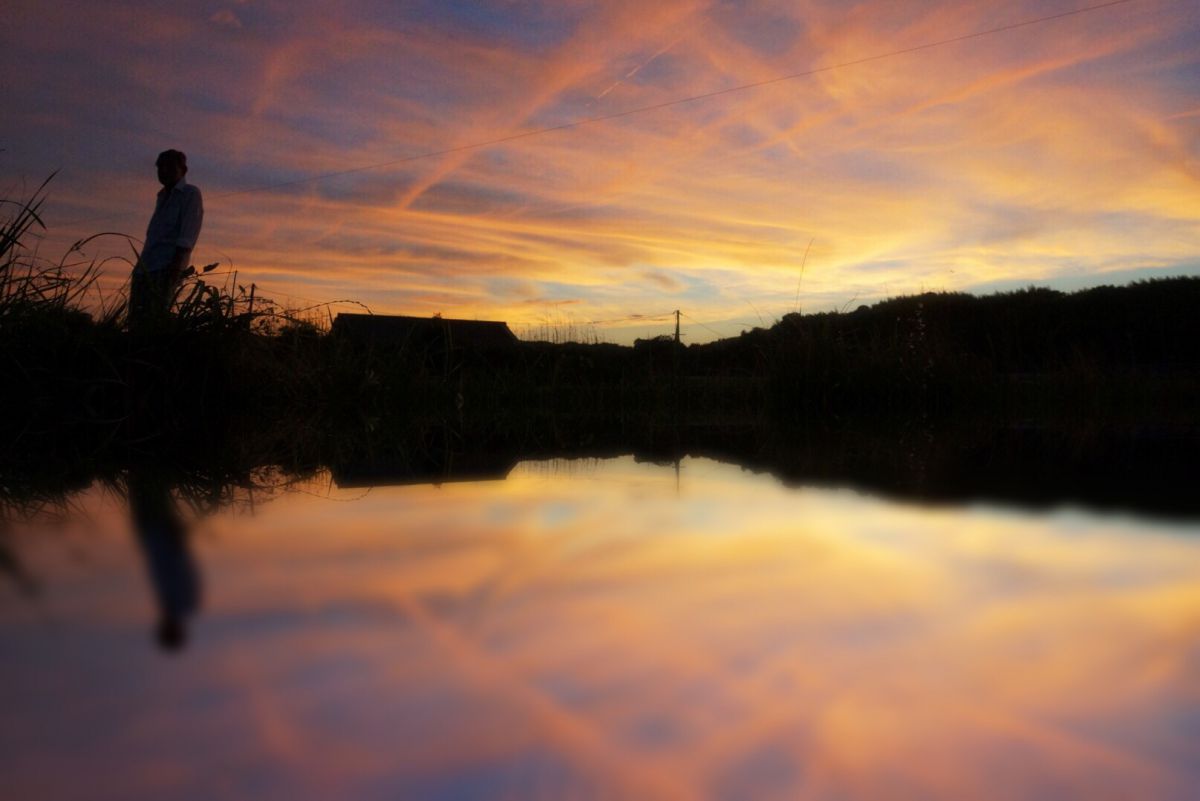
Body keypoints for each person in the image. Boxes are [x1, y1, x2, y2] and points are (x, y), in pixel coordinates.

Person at [130, 149, 203, 324]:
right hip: (145, 268)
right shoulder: (162, 196)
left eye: (170, 167)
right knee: (136, 319)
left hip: (165, 269)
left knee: (155, 319)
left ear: (183, 170)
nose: (164, 172)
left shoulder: (190, 194)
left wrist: (174, 270)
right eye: (160, 168)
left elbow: (187, 236)